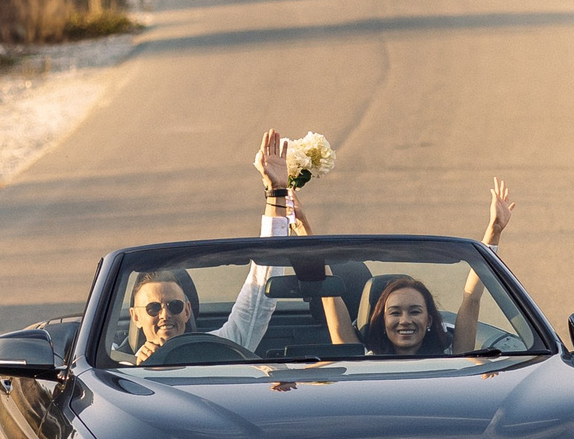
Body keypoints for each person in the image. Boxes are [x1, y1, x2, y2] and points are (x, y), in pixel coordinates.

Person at [212, 130, 522, 356]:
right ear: (380, 319)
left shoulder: (455, 357)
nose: (405, 320)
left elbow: (471, 300)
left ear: (429, 320)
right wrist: (304, 226)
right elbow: (327, 291)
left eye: (415, 311)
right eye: (395, 312)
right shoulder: (358, 359)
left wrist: (493, 231)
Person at [126, 268, 202, 363]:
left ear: (187, 311)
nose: (165, 315)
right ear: (136, 317)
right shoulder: (118, 370)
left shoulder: (210, 357)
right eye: (153, 308)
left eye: (175, 305)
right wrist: (139, 369)